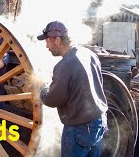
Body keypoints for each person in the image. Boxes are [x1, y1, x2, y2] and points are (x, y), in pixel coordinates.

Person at [37, 21, 108, 157]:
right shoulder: (88, 54)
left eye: (47, 41)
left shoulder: (65, 65)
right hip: (98, 122)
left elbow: (52, 100)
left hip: (80, 128)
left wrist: (43, 87)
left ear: (57, 40)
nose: (47, 47)